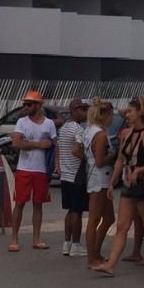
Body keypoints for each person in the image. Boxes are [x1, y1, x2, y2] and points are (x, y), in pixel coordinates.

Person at [94, 97, 144, 277]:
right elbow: (121, 159)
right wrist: (113, 181)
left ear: (140, 112)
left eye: (130, 111)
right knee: (122, 225)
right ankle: (110, 264)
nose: (127, 114)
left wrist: (141, 170)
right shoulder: (126, 133)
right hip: (128, 182)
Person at [10, 91, 58, 253]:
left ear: (38, 105)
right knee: (20, 203)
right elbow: (16, 143)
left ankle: (36, 238)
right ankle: (14, 238)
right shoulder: (22, 122)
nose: (26, 107)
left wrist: (57, 165)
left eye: (29, 104)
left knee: (39, 204)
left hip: (41, 169)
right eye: (25, 104)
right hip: (24, 168)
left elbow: (54, 144)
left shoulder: (49, 124)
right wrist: (38, 145)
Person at [82, 98, 116, 269]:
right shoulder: (100, 135)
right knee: (95, 218)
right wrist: (114, 155)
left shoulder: (90, 131)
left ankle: (95, 251)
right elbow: (101, 160)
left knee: (108, 217)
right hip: (100, 176)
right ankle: (92, 256)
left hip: (96, 175)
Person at [56, 99, 89, 257]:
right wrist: (88, 159)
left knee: (70, 211)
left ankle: (66, 243)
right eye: (83, 110)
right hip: (76, 175)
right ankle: (76, 245)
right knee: (77, 211)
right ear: (75, 110)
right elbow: (76, 150)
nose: (86, 113)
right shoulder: (78, 129)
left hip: (66, 175)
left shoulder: (64, 128)